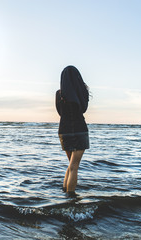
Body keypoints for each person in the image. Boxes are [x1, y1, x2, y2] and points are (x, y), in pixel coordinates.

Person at [55, 65, 90, 194]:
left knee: (71, 165)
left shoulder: (59, 94)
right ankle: (71, 199)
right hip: (79, 129)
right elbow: (83, 109)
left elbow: (60, 112)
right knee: (74, 167)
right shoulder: (82, 92)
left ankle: (65, 191)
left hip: (64, 130)